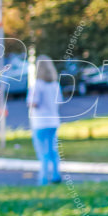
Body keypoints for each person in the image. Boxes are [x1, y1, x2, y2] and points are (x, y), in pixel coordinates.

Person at [28, 54, 62, 185]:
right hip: (53, 121)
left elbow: (33, 102)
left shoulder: (37, 85)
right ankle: (55, 174)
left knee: (43, 152)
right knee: (53, 150)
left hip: (40, 122)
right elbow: (58, 102)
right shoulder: (55, 85)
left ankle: (43, 179)